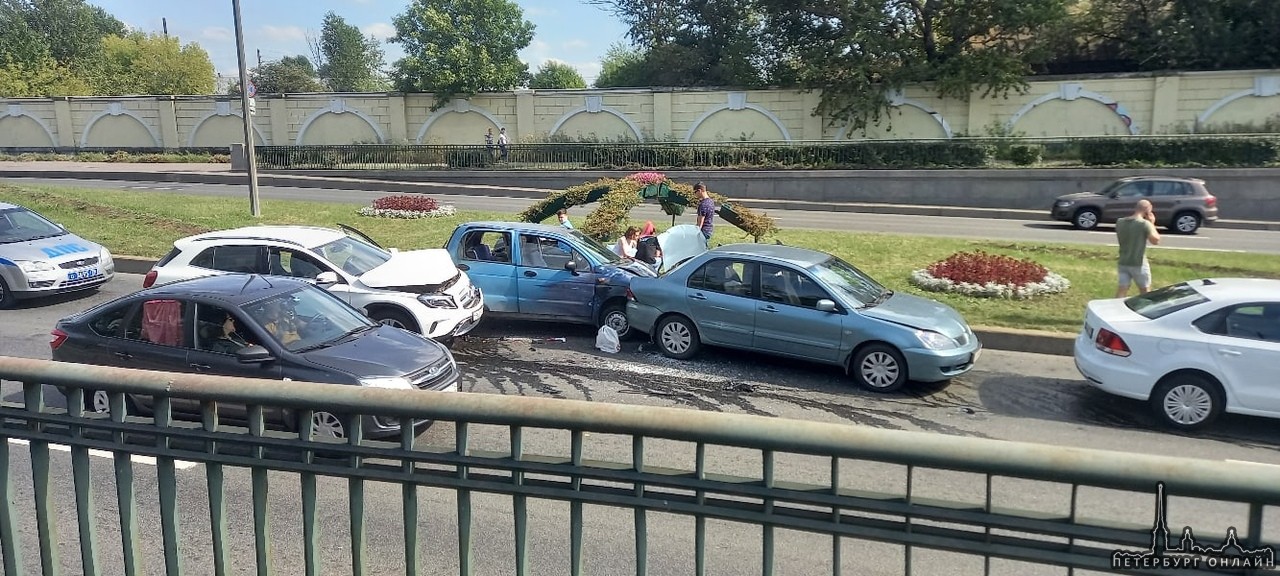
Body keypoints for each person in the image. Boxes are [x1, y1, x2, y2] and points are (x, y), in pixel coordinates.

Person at [1115, 199, 1161, 298]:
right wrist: (1152, 223)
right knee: (1145, 291)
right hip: (1138, 263)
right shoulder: (1144, 224)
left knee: (1122, 290)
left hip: (1123, 261)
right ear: (1147, 210)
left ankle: (1116, 309)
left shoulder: (1120, 222)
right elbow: (1155, 240)